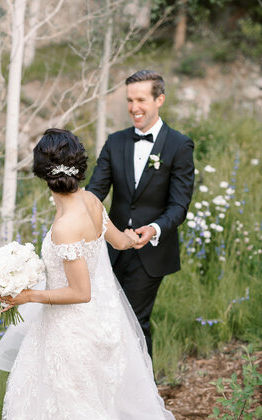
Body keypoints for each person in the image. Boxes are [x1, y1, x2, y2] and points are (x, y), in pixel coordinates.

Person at [0, 128, 194, 420]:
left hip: (74, 329)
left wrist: (27, 294)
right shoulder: (89, 201)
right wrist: (141, 236)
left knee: (70, 407)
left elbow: (79, 291)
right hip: (102, 324)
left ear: (40, 172)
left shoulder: (66, 224)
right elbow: (118, 242)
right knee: (85, 405)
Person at [87, 70, 195, 358]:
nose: (134, 108)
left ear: (159, 99)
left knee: (134, 321)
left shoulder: (179, 145)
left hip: (152, 251)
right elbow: (95, 191)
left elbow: (179, 205)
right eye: (129, 100)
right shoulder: (115, 142)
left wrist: (155, 229)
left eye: (141, 100)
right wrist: (76, 212)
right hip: (111, 247)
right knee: (104, 320)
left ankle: (142, 395)